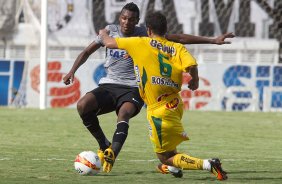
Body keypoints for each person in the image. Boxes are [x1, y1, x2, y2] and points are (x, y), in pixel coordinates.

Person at [63, 2, 234, 175]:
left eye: (131, 19)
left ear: (139, 22)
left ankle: (112, 153)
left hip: (134, 88)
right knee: (83, 106)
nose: (126, 22)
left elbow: (179, 37)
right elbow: (86, 52)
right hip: (111, 84)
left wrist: (212, 40)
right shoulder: (116, 31)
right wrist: (72, 71)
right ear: (119, 17)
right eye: (123, 18)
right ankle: (105, 145)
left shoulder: (142, 38)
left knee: (125, 114)